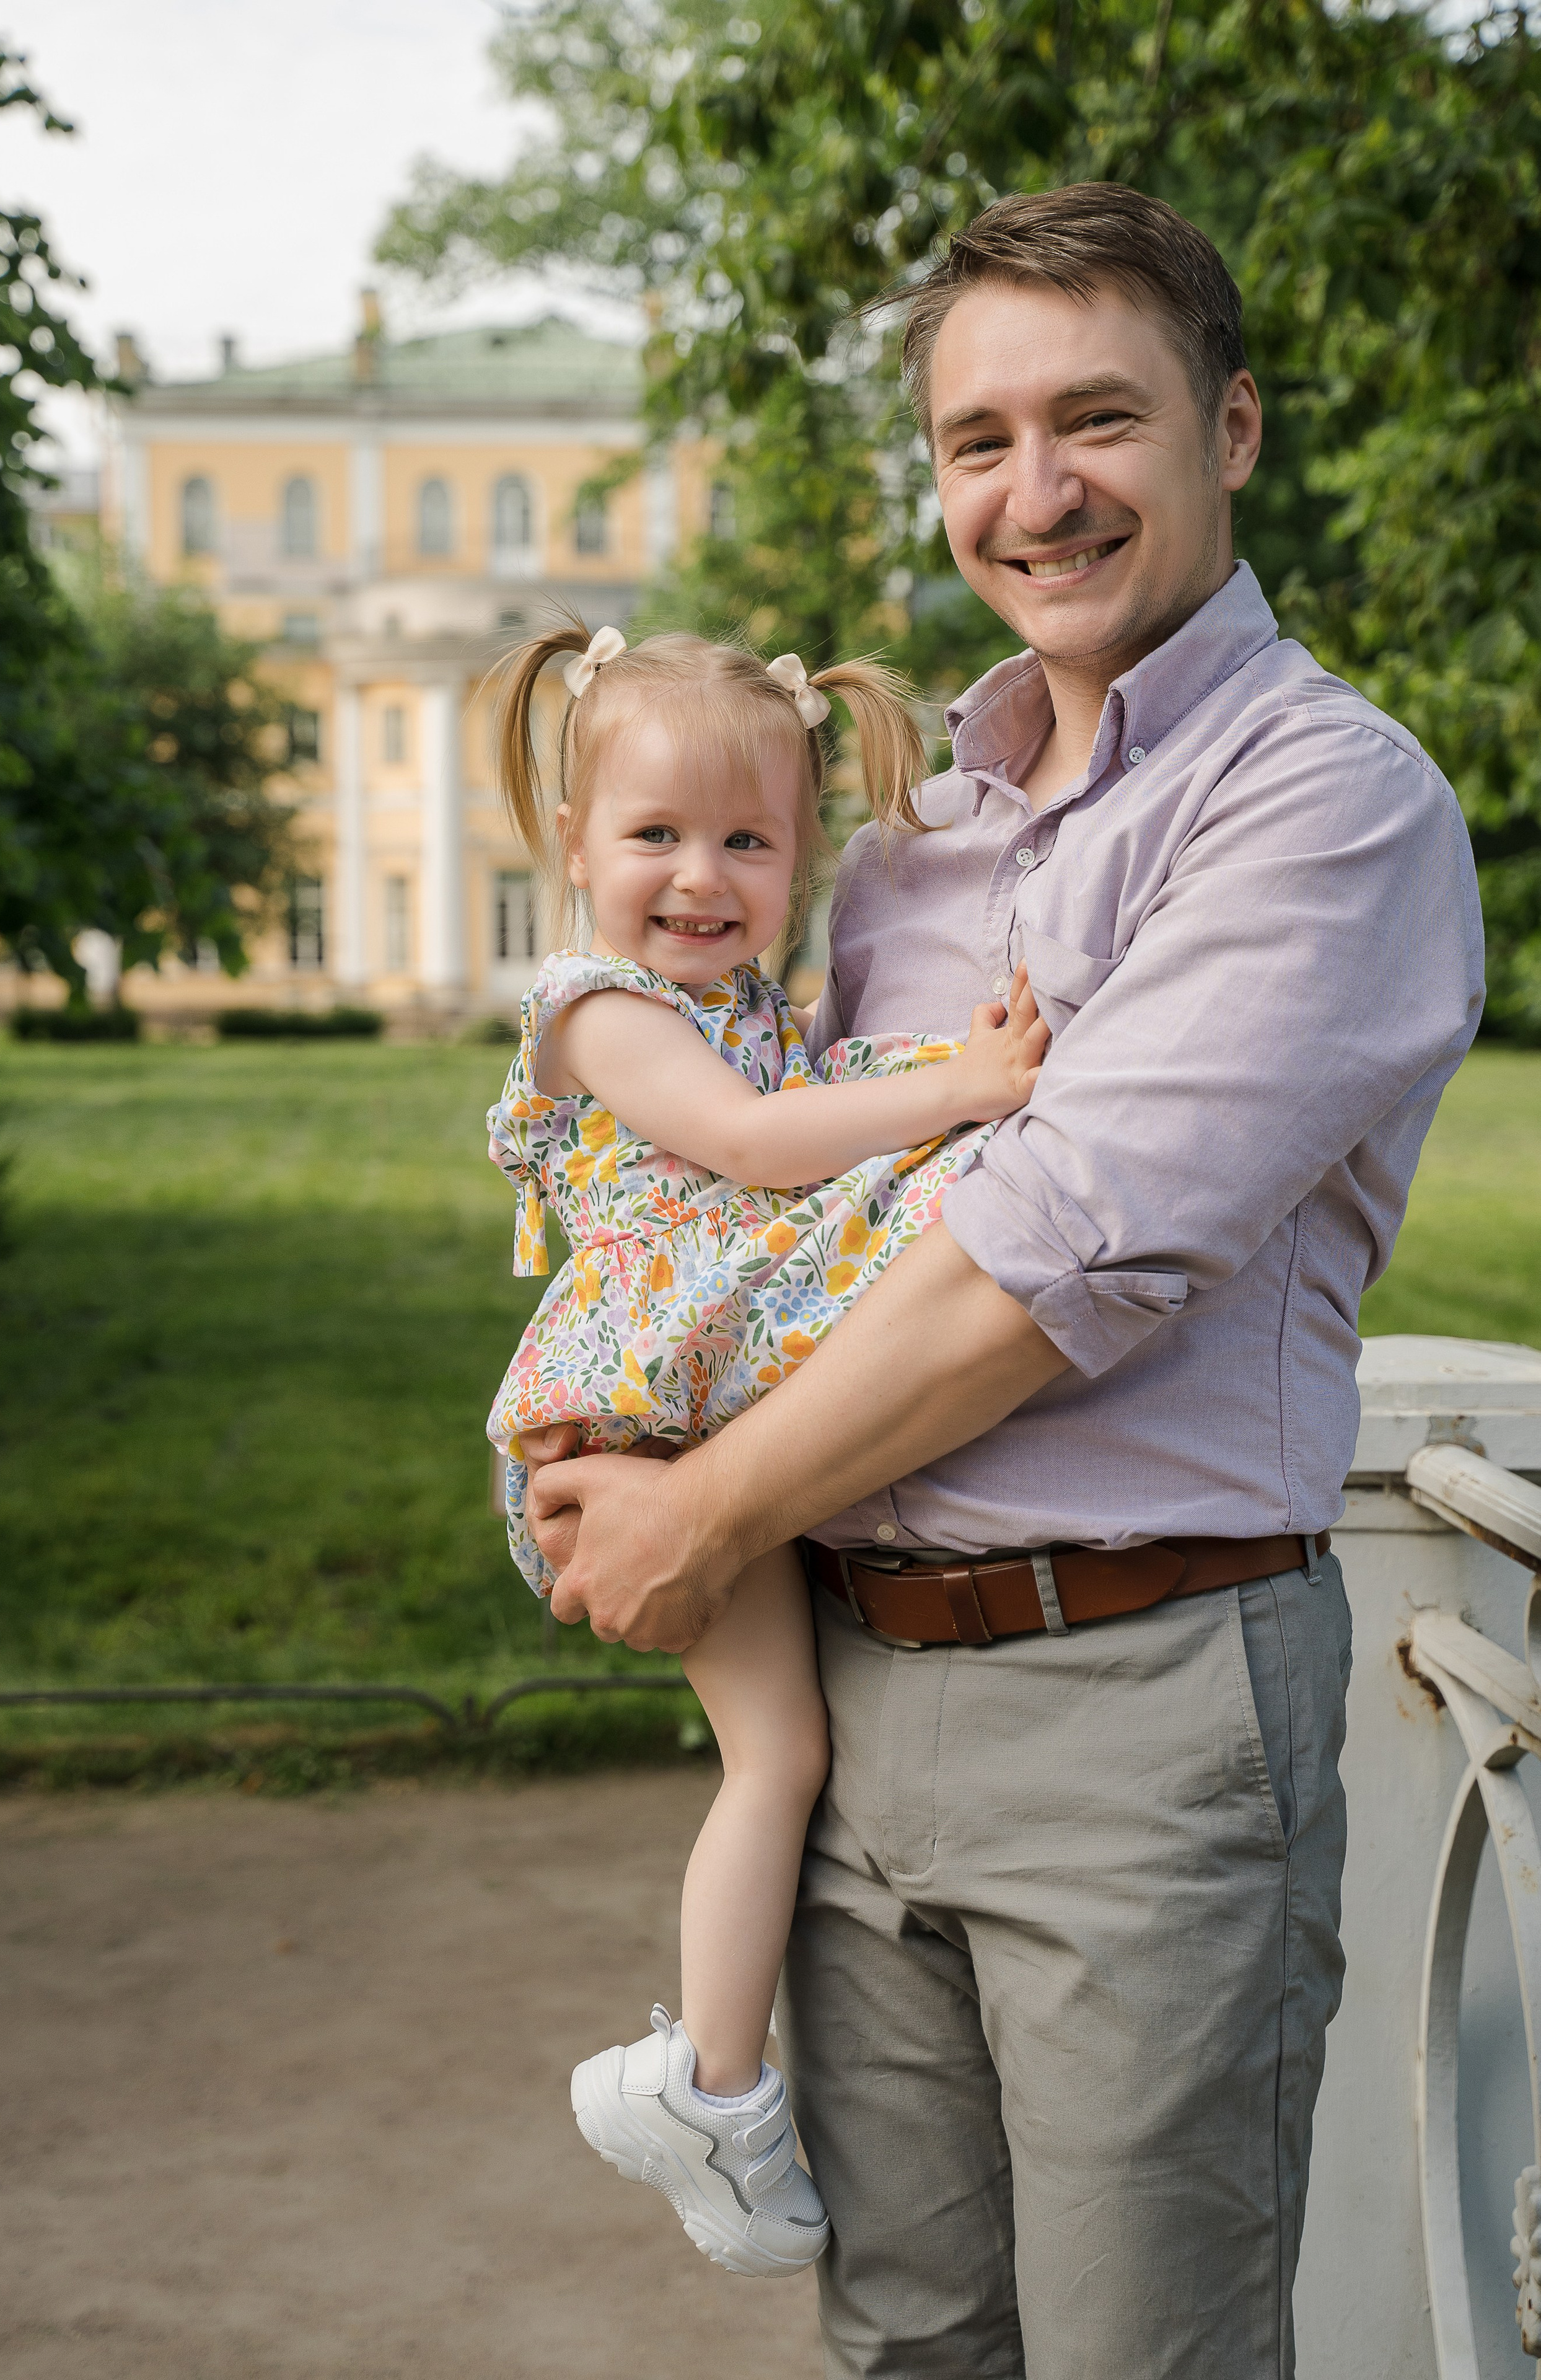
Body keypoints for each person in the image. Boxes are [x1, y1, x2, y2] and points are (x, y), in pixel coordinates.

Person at [520, 183, 1486, 2377]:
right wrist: (612, 1411)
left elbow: (1044, 1267)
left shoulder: (1324, 803)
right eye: (978, 441)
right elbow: (750, 1206)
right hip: (856, 1689)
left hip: (1136, 1717)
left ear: (1230, 430)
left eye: (1096, 421)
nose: (1034, 495)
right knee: (909, 2347)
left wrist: (698, 1508)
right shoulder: (895, 850)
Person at [485, 618, 1048, 2278]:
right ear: (573, 846)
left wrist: (930, 1061)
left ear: (800, 859)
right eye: (653, 835)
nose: (698, 875)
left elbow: (807, 1093)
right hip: (641, 1425)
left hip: (701, 1405)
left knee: (786, 1753)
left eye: (747, 840)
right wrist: (967, 1082)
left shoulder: (743, 1010)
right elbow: (754, 1143)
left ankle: (711, 2079)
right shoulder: (598, 1012)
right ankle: (709, 2086)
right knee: (778, 1759)